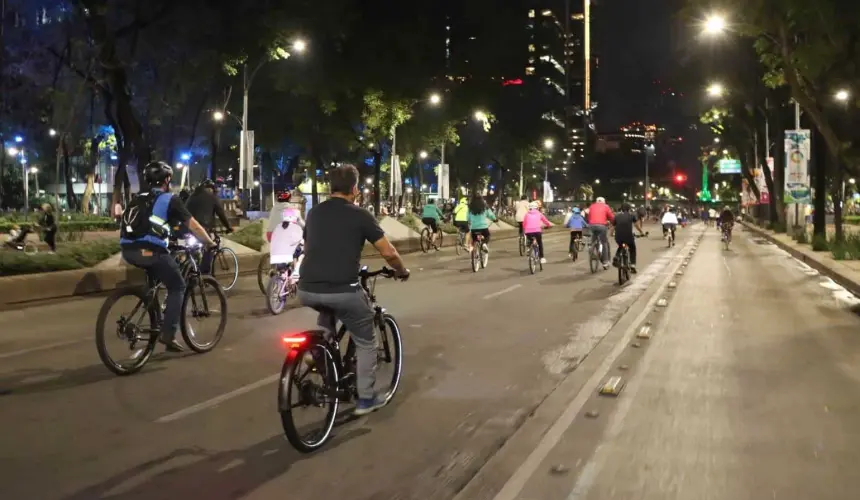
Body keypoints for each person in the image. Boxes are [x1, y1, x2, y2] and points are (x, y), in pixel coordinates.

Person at [298, 164, 410, 416]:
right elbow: (388, 252)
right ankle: (366, 399)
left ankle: (319, 352)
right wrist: (402, 271)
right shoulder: (360, 215)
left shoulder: (315, 212)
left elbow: (309, 248)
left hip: (307, 289)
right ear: (354, 188)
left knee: (327, 316)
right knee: (365, 340)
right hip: (344, 290)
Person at [120, 161, 216, 352]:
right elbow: (193, 225)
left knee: (155, 283)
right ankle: (168, 333)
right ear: (167, 179)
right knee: (178, 285)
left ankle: (156, 320)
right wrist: (209, 242)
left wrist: (172, 238)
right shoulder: (170, 199)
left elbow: (162, 225)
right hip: (149, 251)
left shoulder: (137, 199)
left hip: (128, 250)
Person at [186, 179, 233, 274]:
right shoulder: (212, 197)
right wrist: (229, 227)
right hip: (202, 228)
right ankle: (204, 275)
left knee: (191, 250)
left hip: (187, 227)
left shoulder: (192, 196)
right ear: (212, 189)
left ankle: (188, 270)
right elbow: (221, 214)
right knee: (210, 247)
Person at [268, 191, 306, 283]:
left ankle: (277, 268)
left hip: (271, 234)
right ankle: (294, 272)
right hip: (286, 234)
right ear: (289, 199)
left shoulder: (273, 208)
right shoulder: (292, 209)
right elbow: (300, 224)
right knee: (297, 249)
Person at [612, 202, 645, 273]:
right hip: (628, 236)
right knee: (632, 248)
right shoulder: (631, 215)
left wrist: (611, 234)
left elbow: (613, 227)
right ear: (629, 209)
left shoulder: (617, 216)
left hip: (618, 236)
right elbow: (636, 225)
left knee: (620, 246)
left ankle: (617, 257)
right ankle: (633, 265)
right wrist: (641, 232)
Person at [586, 196, 615, 268]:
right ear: (604, 201)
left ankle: (591, 249)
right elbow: (611, 217)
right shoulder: (606, 206)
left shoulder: (592, 206)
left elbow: (589, 216)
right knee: (604, 242)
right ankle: (605, 262)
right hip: (602, 226)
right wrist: (613, 222)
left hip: (592, 225)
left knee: (593, 240)